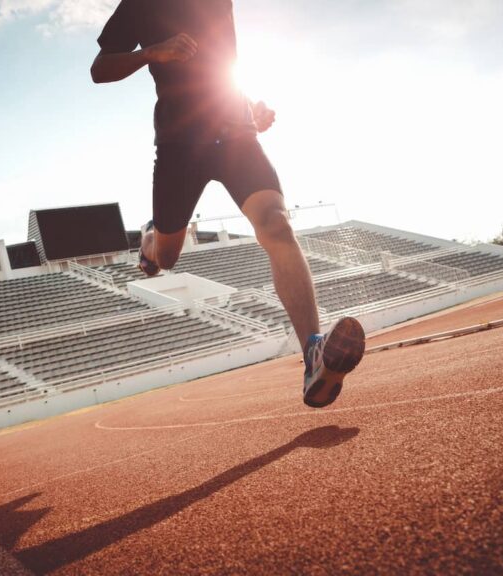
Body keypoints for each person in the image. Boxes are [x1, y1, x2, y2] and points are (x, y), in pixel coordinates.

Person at [91, 0, 364, 407]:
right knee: (166, 257)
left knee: (276, 224)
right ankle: (150, 239)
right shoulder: (139, 5)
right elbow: (99, 69)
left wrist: (248, 104)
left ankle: (313, 353)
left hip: (237, 135)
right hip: (180, 145)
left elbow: (220, 67)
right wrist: (151, 52)